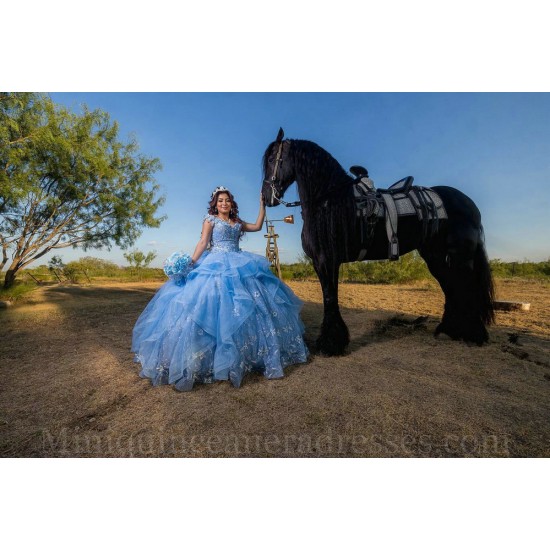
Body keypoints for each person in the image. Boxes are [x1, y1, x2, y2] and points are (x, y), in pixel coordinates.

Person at [131, 186, 309, 391]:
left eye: (227, 200)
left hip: (239, 263)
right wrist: (191, 262)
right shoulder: (210, 220)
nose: (224, 203)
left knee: (251, 305)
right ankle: (208, 356)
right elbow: (203, 242)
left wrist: (262, 205)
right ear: (215, 204)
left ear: (232, 203)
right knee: (212, 304)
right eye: (220, 201)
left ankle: (245, 355)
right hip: (215, 262)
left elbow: (259, 226)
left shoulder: (237, 223)